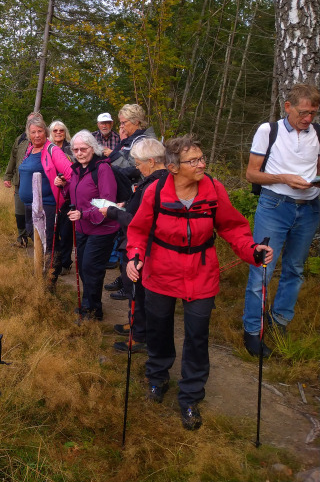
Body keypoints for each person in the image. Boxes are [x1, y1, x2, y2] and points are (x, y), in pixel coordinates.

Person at [126, 136, 273, 431]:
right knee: (158, 328)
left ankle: (191, 397)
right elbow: (138, 230)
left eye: (202, 158)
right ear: (173, 167)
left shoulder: (214, 190)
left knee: (197, 335)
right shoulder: (155, 192)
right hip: (160, 271)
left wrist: (253, 251)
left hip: (201, 274)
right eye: (193, 161)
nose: (201, 164)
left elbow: (233, 228)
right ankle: (158, 378)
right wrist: (135, 256)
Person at [242, 84, 320, 357]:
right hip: (275, 206)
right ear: (288, 107)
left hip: (310, 208)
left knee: (295, 269)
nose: (308, 118)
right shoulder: (269, 131)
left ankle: (279, 323)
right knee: (262, 267)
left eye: (313, 113)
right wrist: (285, 178)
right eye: (303, 112)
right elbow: (252, 174)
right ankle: (252, 330)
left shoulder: (317, 133)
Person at [99, 138, 168, 354]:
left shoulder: (156, 185)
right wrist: (126, 205)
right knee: (133, 289)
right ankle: (136, 325)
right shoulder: (155, 181)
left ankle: (139, 336)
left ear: (151, 161)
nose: (136, 167)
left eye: (138, 163)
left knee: (137, 289)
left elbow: (139, 221)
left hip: (141, 246)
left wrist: (112, 212)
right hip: (137, 244)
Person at [55, 130, 119, 320]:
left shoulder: (102, 169)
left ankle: (93, 310)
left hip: (102, 229)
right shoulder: (76, 169)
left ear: (93, 148)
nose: (79, 152)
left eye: (83, 148)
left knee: (91, 267)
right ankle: (89, 304)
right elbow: (74, 195)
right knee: (83, 267)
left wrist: (84, 213)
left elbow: (108, 203)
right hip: (82, 227)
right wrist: (63, 185)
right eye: (75, 149)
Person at [18, 113, 73, 286]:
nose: (36, 135)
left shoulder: (52, 150)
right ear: (29, 134)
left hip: (48, 204)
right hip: (29, 204)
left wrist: (62, 180)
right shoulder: (29, 149)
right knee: (37, 239)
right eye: (33, 132)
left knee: (49, 242)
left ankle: (50, 282)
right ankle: (40, 272)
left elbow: (70, 172)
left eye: (40, 131)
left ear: (46, 132)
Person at [48, 120, 74, 275]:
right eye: (55, 130)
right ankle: (54, 260)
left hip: (68, 195)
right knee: (52, 230)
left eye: (61, 130)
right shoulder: (47, 149)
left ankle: (65, 262)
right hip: (51, 195)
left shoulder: (72, 148)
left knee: (65, 232)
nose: (58, 133)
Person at [108, 104, 156, 180]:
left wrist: (113, 158)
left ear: (136, 122)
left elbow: (135, 169)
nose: (121, 126)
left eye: (124, 123)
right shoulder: (133, 139)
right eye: (121, 123)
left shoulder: (143, 142)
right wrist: (123, 141)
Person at [4, 120, 31, 247]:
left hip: (37, 183)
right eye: (29, 121)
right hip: (19, 181)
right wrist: (7, 176)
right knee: (19, 211)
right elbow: (13, 158)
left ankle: (40, 240)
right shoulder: (20, 139)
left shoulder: (45, 138)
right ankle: (22, 238)